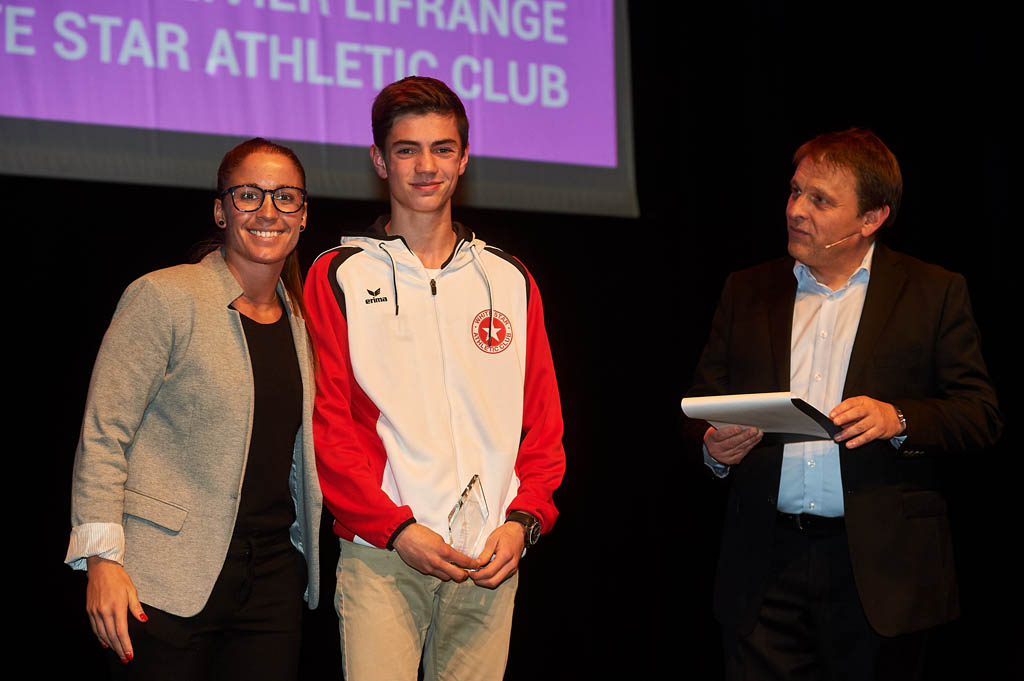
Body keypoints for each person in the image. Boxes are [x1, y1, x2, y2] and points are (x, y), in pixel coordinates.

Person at [684, 128, 1002, 679]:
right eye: (795, 191)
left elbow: (979, 414)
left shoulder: (932, 291)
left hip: (881, 572)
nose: (795, 210)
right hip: (764, 569)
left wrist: (897, 418)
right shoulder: (747, 289)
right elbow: (704, 404)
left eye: (820, 200)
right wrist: (714, 448)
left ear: (871, 218)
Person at [304, 76, 565, 681]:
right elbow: (328, 425)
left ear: (464, 158)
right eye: (407, 150)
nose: (426, 167)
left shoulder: (510, 278)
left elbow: (543, 425)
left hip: (490, 556)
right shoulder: (339, 274)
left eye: (442, 149)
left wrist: (523, 522)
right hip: (383, 554)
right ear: (379, 161)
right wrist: (395, 529)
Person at [65, 138, 322, 680]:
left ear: (303, 215)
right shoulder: (164, 296)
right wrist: (102, 560)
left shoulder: (304, 323)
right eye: (248, 195)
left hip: (272, 586)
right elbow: (105, 433)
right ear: (221, 211)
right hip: (163, 578)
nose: (268, 211)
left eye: (285, 197)